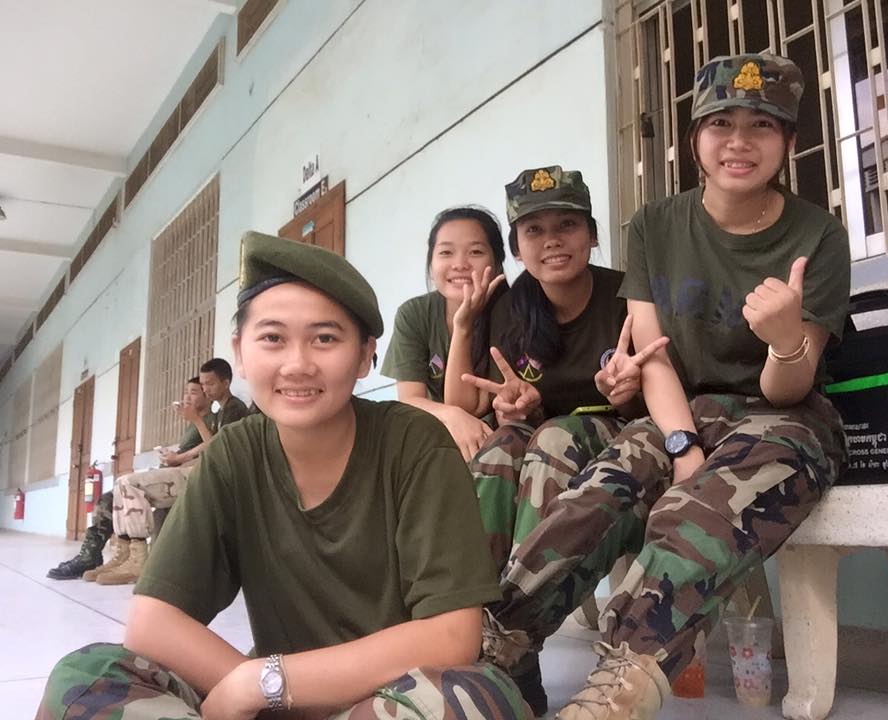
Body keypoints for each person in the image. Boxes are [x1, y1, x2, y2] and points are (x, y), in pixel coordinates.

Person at [478, 55, 850, 720]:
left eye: (762, 125)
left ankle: (622, 685)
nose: (739, 141)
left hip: (785, 418)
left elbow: (787, 387)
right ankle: (495, 649)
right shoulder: (654, 225)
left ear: (790, 141)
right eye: (721, 123)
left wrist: (785, 338)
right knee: (595, 495)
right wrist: (682, 445)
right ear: (695, 138)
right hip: (681, 408)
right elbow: (652, 357)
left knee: (698, 511)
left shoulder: (817, 235)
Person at [36, 231, 530, 720]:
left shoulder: (414, 443)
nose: (297, 365)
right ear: (241, 352)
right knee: (87, 676)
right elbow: (152, 622)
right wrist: (265, 692)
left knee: (471, 698)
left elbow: (451, 637)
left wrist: (263, 682)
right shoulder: (235, 454)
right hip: (278, 703)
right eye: (273, 338)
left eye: (325, 339)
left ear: (365, 356)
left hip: (388, 700)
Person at [452, 166, 665, 715]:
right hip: (548, 436)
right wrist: (516, 406)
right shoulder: (509, 309)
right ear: (516, 247)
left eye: (567, 225)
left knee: (551, 439)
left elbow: (661, 401)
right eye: (534, 230)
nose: (551, 241)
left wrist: (627, 395)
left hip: (622, 441)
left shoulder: (627, 295)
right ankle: (474, 625)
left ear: (591, 234)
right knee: (499, 449)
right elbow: (494, 403)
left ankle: (519, 638)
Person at [46, 377, 216, 581]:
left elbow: (212, 450)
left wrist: (180, 455)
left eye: (194, 392)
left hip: (191, 478)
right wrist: (170, 457)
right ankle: (106, 555)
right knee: (109, 498)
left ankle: (134, 559)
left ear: (208, 395)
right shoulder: (192, 425)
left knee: (126, 487)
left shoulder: (212, 421)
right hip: (174, 473)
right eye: (186, 392)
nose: (187, 397)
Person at [93, 368, 243, 586]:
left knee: (126, 483)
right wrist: (177, 457)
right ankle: (126, 555)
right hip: (193, 472)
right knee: (120, 486)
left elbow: (217, 448)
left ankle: (138, 560)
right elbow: (209, 447)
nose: (205, 389)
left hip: (210, 478)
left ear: (226, 382)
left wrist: (183, 452)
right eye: (202, 385)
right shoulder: (220, 412)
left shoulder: (232, 409)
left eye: (207, 385)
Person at [381, 206, 508, 460]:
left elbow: (472, 407)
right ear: (431, 265)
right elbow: (410, 400)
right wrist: (451, 416)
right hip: (435, 430)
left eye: (475, 252)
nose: (459, 264)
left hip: (495, 435)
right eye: (446, 252)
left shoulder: (510, 313)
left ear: (496, 264)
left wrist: (463, 326)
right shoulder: (414, 314)